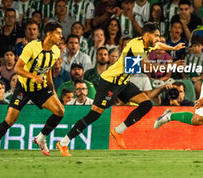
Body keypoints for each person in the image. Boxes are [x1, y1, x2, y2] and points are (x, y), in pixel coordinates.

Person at [57, 23, 185, 156]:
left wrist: (173, 47)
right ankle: (63, 143)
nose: (158, 38)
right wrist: (171, 65)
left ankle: (118, 131)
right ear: (147, 35)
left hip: (123, 82)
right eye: (156, 35)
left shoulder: (148, 43)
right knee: (94, 115)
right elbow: (149, 67)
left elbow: (158, 45)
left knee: (146, 104)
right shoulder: (136, 46)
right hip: (109, 82)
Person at [0, 22, 64, 157]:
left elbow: (48, 70)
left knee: (60, 111)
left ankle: (41, 139)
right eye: (58, 33)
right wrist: (32, 76)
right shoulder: (32, 47)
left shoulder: (56, 51)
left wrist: (52, 90)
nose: (61, 36)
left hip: (40, 88)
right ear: (49, 34)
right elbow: (17, 68)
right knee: (10, 120)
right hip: (24, 88)